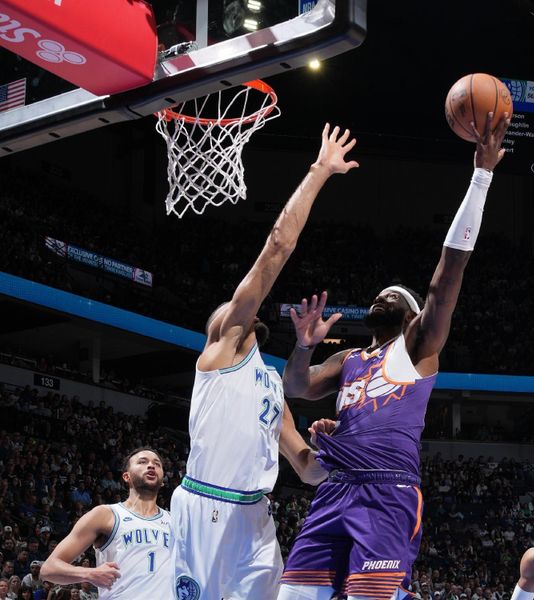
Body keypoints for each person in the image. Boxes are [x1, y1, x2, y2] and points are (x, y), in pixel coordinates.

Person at [278, 111, 511, 600]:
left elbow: (448, 271)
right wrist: (303, 346)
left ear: (411, 316)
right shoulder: (348, 361)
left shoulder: (417, 348)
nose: (383, 296)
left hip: (387, 491)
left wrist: (481, 177)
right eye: (380, 293)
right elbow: (296, 388)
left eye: (395, 296)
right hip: (335, 488)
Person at [170, 123, 359, 600]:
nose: (228, 314)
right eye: (225, 313)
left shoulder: (272, 385)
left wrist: (350, 448)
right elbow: (276, 248)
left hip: (256, 517)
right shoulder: (221, 349)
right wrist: (319, 171)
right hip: (206, 507)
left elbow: (306, 468)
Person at [40, 448, 171, 600]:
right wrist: (89, 574)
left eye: (157, 464)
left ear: (162, 481)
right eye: (142, 462)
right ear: (126, 476)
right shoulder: (105, 515)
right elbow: (48, 569)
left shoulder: (175, 521)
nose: (151, 466)